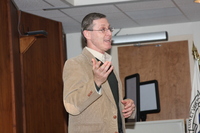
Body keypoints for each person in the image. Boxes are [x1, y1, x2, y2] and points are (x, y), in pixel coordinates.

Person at [63, 12, 136, 133]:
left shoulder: (108, 64)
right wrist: (96, 82)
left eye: (109, 29)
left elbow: (106, 108)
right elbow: (71, 105)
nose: (109, 33)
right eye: (103, 29)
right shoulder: (75, 64)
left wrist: (127, 107)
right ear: (87, 34)